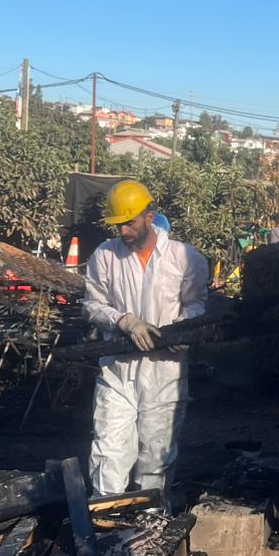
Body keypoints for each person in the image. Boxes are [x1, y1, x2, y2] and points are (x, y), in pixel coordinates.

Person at [82, 179, 208, 498]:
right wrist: (124, 320)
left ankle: (150, 530)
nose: (123, 231)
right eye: (118, 224)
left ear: (149, 216)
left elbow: (196, 304)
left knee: (156, 457)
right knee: (108, 453)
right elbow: (93, 304)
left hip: (165, 371)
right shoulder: (105, 256)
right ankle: (106, 526)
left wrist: (183, 330)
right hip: (117, 370)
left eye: (130, 222)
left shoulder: (184, 258)